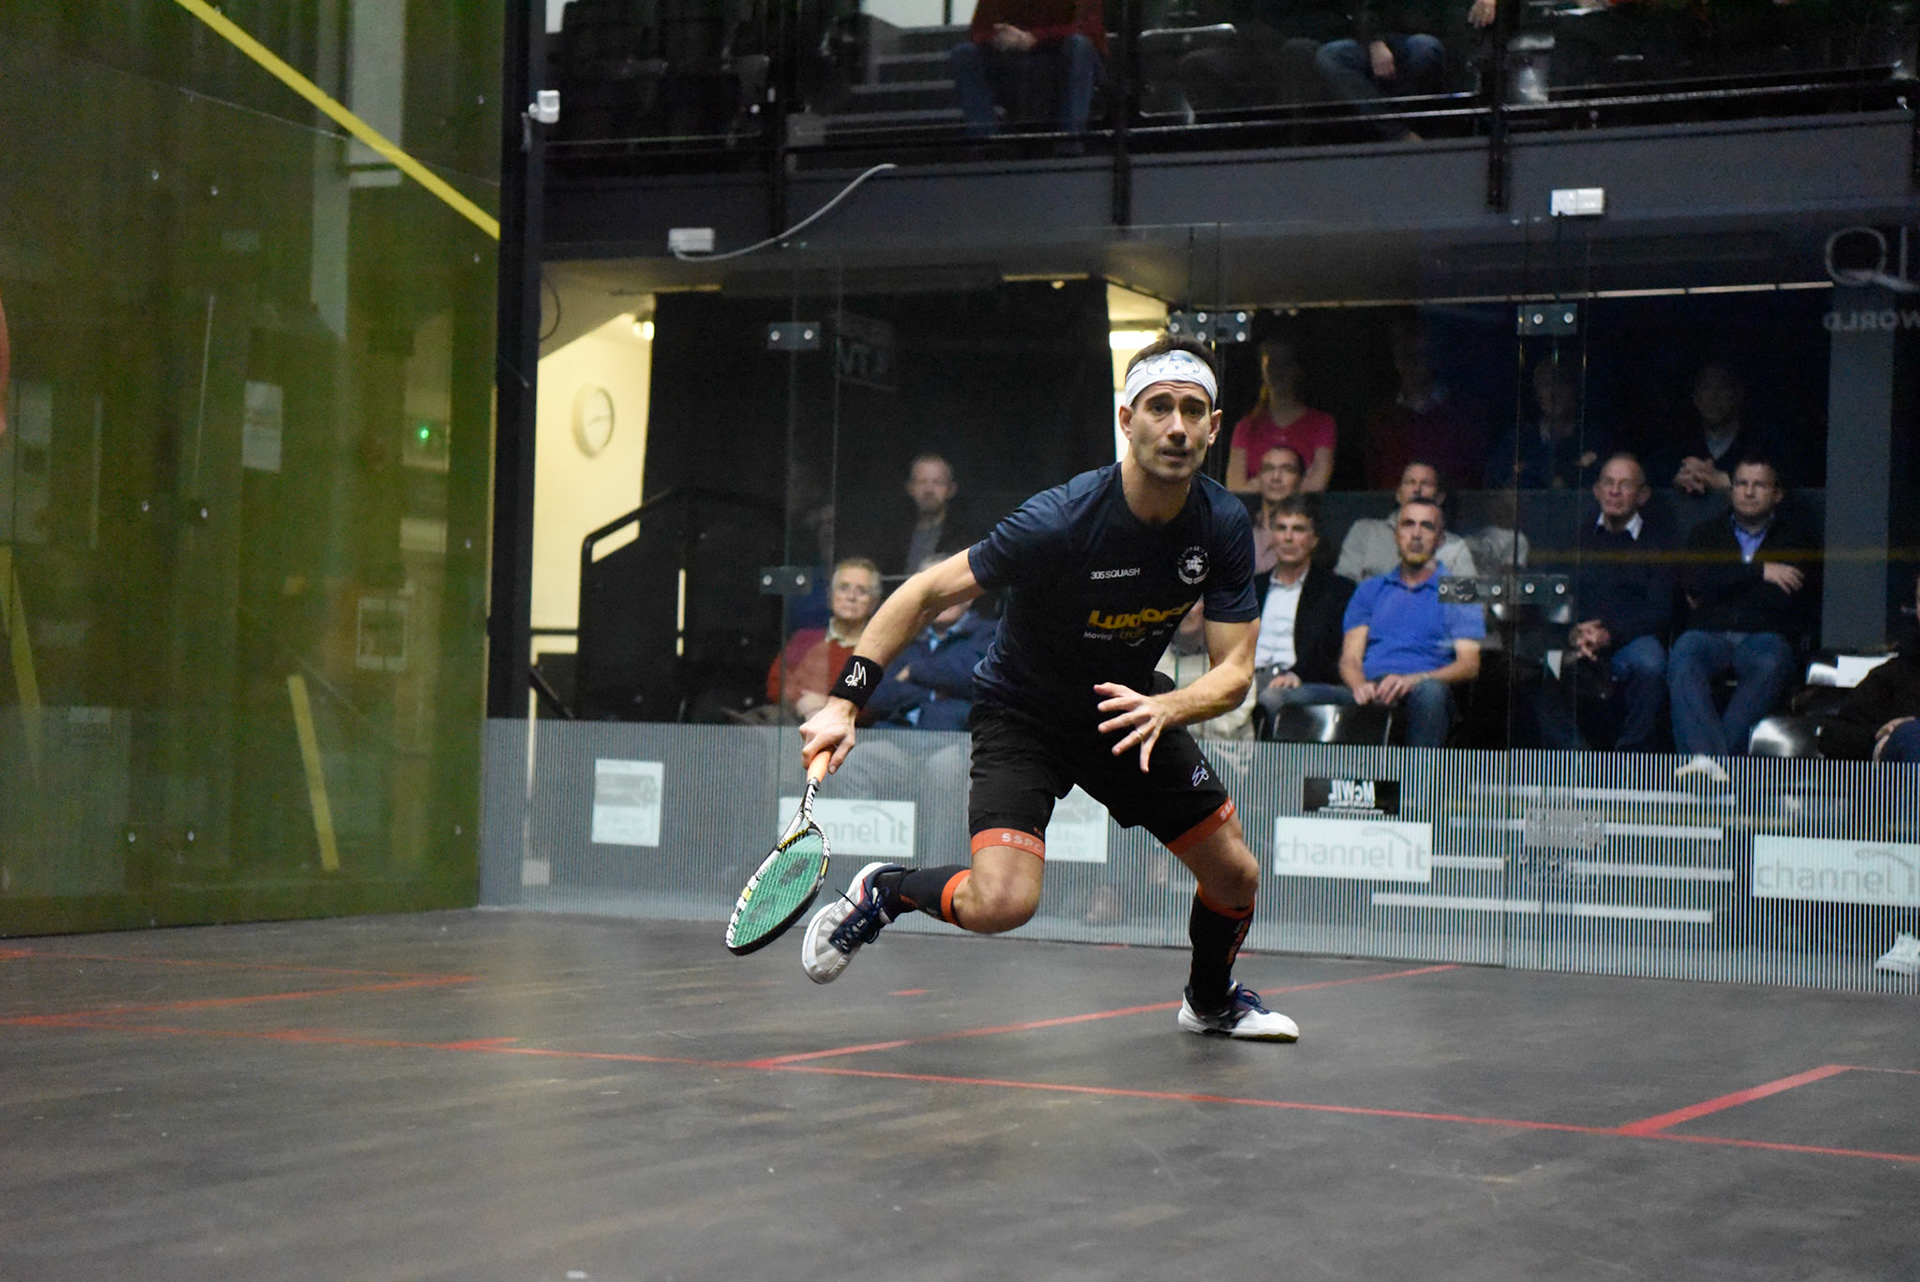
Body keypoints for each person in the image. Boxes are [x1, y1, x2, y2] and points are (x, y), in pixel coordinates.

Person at [793, 333, 1299, 1041]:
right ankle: (885, 890)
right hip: (1022, 715)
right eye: (1159, 407)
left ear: (1214, 427)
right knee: (1000, 904)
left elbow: (1235, 671)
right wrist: (845, 703)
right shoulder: (1060, 519)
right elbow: (924, 592)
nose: (1177, 427)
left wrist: (1167, 706)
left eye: (1192, 410)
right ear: (1127, 419)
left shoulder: (1220, 523)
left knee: (1235, 875)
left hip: (1128, 710)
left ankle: (1210, 1002)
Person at [1668, 456, 1820, 758]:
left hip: (1764, 637)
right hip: (1709, 634)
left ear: (1777, 494)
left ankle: (1707, 760)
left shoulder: (1796, 539)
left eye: (1759, 485)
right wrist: (1759, 572)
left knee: (1772, 662)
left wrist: (1722, 582)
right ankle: (1719, 763)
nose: (1748, 492)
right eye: (1741, 484)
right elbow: (1694, 582)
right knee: (1684, 654)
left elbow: (1782, 600)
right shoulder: (1705, 534)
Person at [1534, 453, 1676, 751]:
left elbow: (1660, 611)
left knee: (1651, 665)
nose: (1614, 491)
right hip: (1579, 640)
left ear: (1643, 495)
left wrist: (1608, 634)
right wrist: (1574, 631)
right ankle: (1577, 760)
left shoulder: (1659, 543)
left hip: (1630, 641)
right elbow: (1555, 598)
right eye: (1608, 483)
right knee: (1540, 665)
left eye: (1624, 485)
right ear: (1596, 490)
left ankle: (1630, 760)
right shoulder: (1575, 539)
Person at [1338, 497, 1485, 747]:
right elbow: (1350, 659)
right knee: (1298, 697)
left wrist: (1414, 680)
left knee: (1431, 693)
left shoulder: (1460, 591)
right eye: (1408, 524)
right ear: (1396, 536)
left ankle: (1418, 774)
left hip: (1424, 689)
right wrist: (1360, 686)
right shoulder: (1369, 589)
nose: (1416, 534)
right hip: (1370, 689)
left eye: (1427, 526)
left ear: (1440, 539)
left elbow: (1469, 665)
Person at [1315, 0, 1497, 141]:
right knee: (1331, 56)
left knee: (1425, 48)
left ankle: (1404, 134)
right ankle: (1398, 132)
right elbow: (1365, 9)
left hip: (1438, 44)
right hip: (1385, 39)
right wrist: (1375, 41)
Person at [1251, 497, 1356, 733]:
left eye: (1298, 529)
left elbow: (1334, 652)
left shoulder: (1336, 590)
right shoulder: (1252, 588)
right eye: (1281, 528)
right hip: (1249, 677)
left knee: (1272, 698)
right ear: (1272, 536)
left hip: (1301, 682)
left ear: (1314, 539)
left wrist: (1298, 676)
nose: (1288, 538)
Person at [950, 0, 1105, 142]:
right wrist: (997, 36)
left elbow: (1088, 29)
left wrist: (1035, 37)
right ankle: (985, 139)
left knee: (1079, 46)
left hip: (1064, 63)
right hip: (1016, 61)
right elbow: (978, 30)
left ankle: (1070, 138)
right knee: (964, 54)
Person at [1362, 318, 1488, 489]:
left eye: (1420, 355)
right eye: (1405, 355)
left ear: (1433, 357)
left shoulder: (1461, 415)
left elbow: (1475, 478)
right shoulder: (1382, 420)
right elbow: (1375, 481)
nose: (1412, 364)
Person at [1814, 569, 1920, 764]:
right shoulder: (1896, 672)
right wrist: (1879, 735)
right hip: (1904, 773)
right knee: (1910, 735)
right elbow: (1833, 736)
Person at [765, 558, 881, 720]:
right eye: (843, 588)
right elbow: (776, 684)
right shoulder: (804, 640)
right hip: (797, 723)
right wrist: (801, 701)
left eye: (862, 591)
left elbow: (880, 701)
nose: (851, 597)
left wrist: (826, 705)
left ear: (874, 602)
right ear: (831, 596)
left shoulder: (879, 648)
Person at [864, 589, 993, 732]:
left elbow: (979, 681)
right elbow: (877, 697)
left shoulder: (989, 635)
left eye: (950, 594)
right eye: (935, 595)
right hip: (893, 733)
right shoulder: (904, 636)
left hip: (954, 737)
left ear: (969, 598)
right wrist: (932, 694)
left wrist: (914, 671)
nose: (942, 601)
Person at [1334, 460, 1480, 583]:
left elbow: (1476, 596)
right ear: (1398, 494)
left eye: (1426, 484)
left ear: (1439, 497)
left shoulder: (1455, 545)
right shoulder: (1365, 531)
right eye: (1410, 482)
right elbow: (1343, 586)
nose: (1417, 489)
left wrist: (1425, 594)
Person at [1224, 338, 1336, 494]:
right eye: (1272, 363)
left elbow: (1317, 485)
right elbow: (1235, 489)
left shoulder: (1322, 424)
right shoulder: (1245, 427)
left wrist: (1258, 485)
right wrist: (1294, 483)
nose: (1278, 371)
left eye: (1285, 363)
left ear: (1297, 369)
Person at [1483, 360, 1602, 490]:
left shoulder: (1593, 439)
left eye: (1560, 383)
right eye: (1546, 385)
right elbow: (1495, 483)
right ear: (1537, 393)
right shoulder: (1517, 439)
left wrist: (1530, 468)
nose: (1553, 393)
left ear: (1574, 389)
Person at [1156, 603, 1257, 740]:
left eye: (1196, 601)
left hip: (1225, 749)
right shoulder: (1156, 658)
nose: (1189, 610)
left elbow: (1229, 726)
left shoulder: (1234, 661)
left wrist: (1173, 715)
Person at [1665, 362, 1762, 496]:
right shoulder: (1678, 442)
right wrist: (1679, 480)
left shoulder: (1758, 443)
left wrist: (1728, 481)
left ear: (1738, 394)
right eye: (1706, 387)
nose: (1713, 396)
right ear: (1695, 397)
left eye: (1721, 387)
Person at [891, 453, 969, 578]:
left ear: (951, 489)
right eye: (921, 482)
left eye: (937, 482)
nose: (929, 490)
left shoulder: (966, 535)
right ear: (910, 488)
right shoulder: (892, 535)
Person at [1248, 445, 1306, 575]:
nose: (1276, 477)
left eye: (1286, 470)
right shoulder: (1237, 525)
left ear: (1300, 479)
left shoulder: (1310, 532)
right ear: (1258, 477)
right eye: (1268, 469)